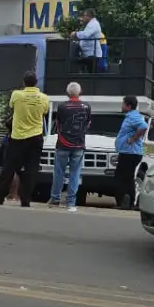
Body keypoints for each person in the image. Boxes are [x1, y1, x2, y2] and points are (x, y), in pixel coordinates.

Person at [0, 72, 49, 207]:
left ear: (24, 82)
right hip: (36, 137)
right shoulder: (44, 98)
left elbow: (12, 107)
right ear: (36, 83)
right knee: (31, 170)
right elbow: (44, 111)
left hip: (18, 137)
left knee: (9, 168)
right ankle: (26, 200)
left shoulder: (16, 95)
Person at [48, 82, 92, 212]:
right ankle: (71, 202)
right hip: (79, 144)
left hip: (62, 143)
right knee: (75, 174)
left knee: (59, 172)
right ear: (80, 92)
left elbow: (58, 123)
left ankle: (55, 199)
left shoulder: (62, 106)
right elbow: (88, 124)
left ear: (67, 93)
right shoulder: (86, 106)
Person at [114, 95, 148, 210]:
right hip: (128, 152)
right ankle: (127, 202)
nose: (121, 106)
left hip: (130, 152)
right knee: (126, 177)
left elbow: (143, 126)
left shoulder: (133, 116)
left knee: (122, 178)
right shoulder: (130, 116)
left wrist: (133, 139)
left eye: (123, 104)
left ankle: (125, 202)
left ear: (128, 106)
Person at [70, 8, 103, 73]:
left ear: (89, 16)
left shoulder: (93, 24)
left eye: (84, 16)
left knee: (75, 62)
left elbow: (86, 35)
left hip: (92, 55)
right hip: (88, 54)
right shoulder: (90, 24)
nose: (83, 18)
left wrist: (75, 34)